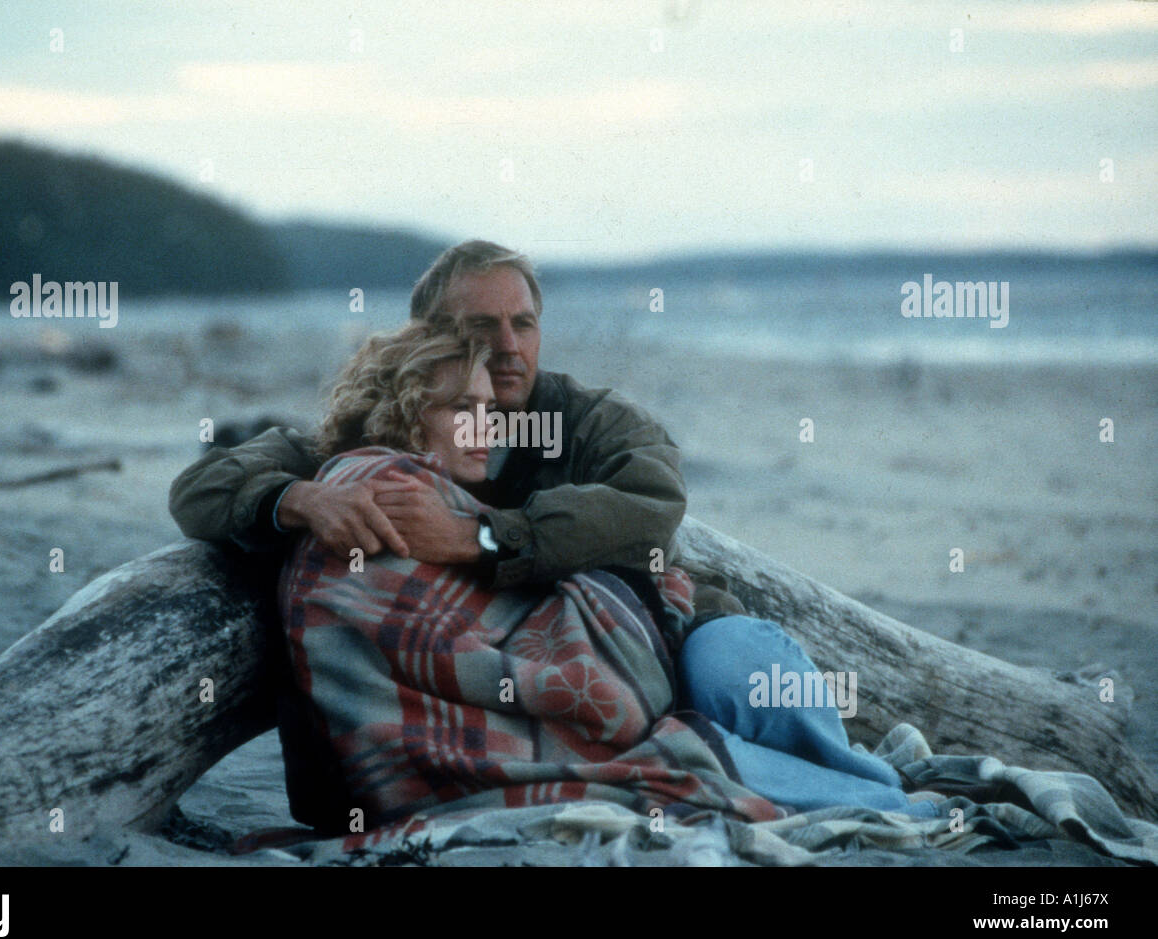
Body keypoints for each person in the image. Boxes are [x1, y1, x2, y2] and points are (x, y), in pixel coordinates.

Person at [169, 239, 937, 824]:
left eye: (524, 323)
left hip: (666, 650)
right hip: (515, 715)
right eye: (481, 327)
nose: (508, 346)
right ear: (429, 338)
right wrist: (298, 500)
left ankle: (870, 786)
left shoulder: (586, 418)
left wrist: (483, 540)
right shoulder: (375, 431)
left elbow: (651, 501)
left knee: (735, 663)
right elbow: (200, 487)